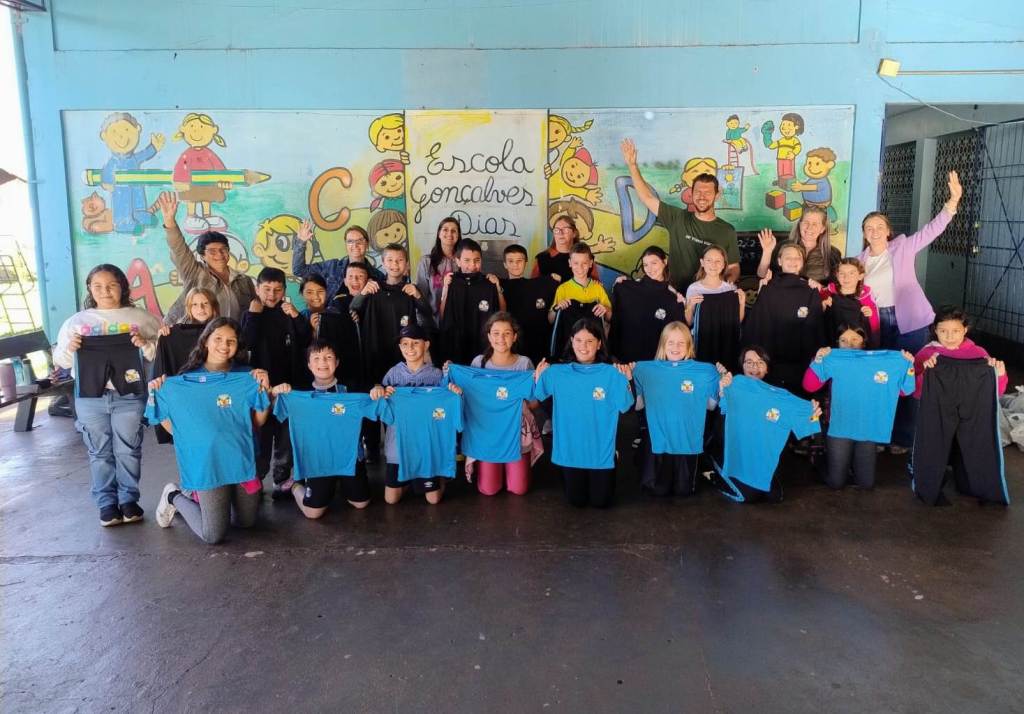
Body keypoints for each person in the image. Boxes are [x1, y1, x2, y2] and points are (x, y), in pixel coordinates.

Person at [858, 170, 963, 453]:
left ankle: (903, 438)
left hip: (910, 321)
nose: (874, 231)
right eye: (868, 227)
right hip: (877, 323)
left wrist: (952, 203)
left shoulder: (903, 247)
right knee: (882, 379)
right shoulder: (859, 261)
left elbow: (931, 230)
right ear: (864, 234)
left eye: (879, 226)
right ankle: (881, 435)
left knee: (911, 377)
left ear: (888, 231)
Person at [53, 264, 162, 526]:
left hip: (130, 395)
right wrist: (71, 348)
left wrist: (145, 344)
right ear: (90, 289)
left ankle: (128, 500)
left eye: (112, 285)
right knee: (99, 451)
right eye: (98, 286)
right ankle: (106, 504)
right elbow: (61, 361)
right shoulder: (76, 322)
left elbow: (161, 353)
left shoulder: (141, 318)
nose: (105, 291)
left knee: (128, 449)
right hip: (90, 396)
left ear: (122, 286)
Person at [148, 318, 272, 544]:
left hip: (241, 458)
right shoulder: (184, 380)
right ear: (205, 341)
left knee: (246, 522)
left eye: (231, 341)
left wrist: (264, 389)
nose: (224, 345)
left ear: (238, 346)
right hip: (208, 463)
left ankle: (215, 501)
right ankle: (174, 495)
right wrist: (158, 391)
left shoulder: (246, 376)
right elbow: (175, 426)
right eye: (218, 339)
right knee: (213, 535)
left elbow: (257, 422)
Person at [911, 307, 1009, 506]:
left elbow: (995, 393)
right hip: (937, 409)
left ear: (965, 330)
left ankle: (976, 485)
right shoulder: (926, 354)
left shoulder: (979, 354)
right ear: (935, 330)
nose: (949, 337)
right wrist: (926, 375)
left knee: (976, 443)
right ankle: (926, 480)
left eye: (955, 331)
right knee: (932, 442)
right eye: (943, 331)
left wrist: (999, 375)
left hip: (972, 409)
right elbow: (916, 392)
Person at [270, 340, 379, 519]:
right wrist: (275, 393)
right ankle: (294, 485)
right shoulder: (299, 394)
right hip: (317, 460)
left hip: (349, 457)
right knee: (313, 513)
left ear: (337, 362)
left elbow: (374, 397)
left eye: (328, 357)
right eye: (316, 358)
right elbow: (274, 408)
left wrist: (377, 389)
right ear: (309, 364)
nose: (322, 362)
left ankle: (340, 483)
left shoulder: (352, 390)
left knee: (361, 503)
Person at [533, 319, 634, 508]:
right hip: (569, 449)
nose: (583, 346)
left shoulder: (612, 373)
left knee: (601, 502)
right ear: (572, 341)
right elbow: (538, 397)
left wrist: (627, 380)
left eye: (589, 341)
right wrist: (539, 379)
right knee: (576, 501)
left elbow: (625, 406)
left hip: (600, 450)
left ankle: (613, 454)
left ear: (599, 344)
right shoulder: (556, 372)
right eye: (579, 340)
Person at [802, 326, 916, 490]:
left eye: (855, 339)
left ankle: (846, 465)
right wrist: (818, 360)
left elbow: (905, 390)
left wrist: (908, 366)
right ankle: (821, 461)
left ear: (864, 342)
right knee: (836, 482)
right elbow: (809, 386)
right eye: (843, 340)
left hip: (868, 427)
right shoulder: (833, 358)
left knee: (866, 483)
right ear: (837, 343)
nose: (849, 344)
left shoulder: (885, 362)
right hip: (840, 426)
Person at [620, 138, 739, 290]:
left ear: (717, 195)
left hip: (709, 296)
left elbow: (733, 267)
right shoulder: (677, 218)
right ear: (691, 194)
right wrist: (632, 166)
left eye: (708, 192)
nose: (702, 197)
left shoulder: (727, 230)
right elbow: (647, 198)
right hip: (676, 295)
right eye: (698, 192)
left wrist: (726, 284)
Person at [446, 312, 542, 496]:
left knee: (519, 489)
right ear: (489, 336)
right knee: (488, 489)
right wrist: (451, 373)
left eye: (507, 333)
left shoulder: (524, 364)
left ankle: (513, 469)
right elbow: (468, 395)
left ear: (514, 337)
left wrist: (522, 403)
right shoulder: (478, 363)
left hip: (516, 432)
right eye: (496, 333)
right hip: (486, 432)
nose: (501, 338)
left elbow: (535, 402)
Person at [714, 347, 822, 503]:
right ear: (742, 366)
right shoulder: (734, 384)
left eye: (760, 362)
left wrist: (812, 413)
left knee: (775, 496)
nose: (754, 367)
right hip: (734, 454)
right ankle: (715, 471)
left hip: (760, 459)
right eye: (749, 362)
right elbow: (721, 414)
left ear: (767, 368)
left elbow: (807, 424)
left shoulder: (783, 397)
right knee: (748, 497)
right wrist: (723, 390)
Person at [241, 267, 313, 498]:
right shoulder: (251, 313)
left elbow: (306, 339)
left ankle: (281, 479)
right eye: (266, 289)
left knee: (285, 436)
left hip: (288, 386)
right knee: (261, 435)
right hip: (260, 389)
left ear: (284, 290)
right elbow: (246, 343)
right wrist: (253, 315)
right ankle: (257, 478)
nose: (272, 295)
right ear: (257, 289)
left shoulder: (288, 312)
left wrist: (296, 316)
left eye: (277, 290)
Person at [372, 325, 462, 505]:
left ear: (426, 345)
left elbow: (447, 404)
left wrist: (454, 390)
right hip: (398, 443)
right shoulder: (393, 373)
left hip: (427, 444)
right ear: (400, 347)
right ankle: (411, 480)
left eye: (415, 343)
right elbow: (380, 402)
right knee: (391, 499)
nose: (410, 348)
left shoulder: (436, 375)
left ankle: (439, 476)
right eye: (405, 344)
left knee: (433, 499)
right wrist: (379, 390)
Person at [631, 322, 721, 497]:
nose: (675, 347)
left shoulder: (706, 371)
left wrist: (721, 380)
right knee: (658, 490)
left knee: (683, 491)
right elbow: (638, 405)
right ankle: (641, 454)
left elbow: (710, 406)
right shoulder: (643, 370)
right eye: (670, 342)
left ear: (689, 346)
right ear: (663, 344)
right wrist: (628, 377)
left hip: (688, 442)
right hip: (659, 442)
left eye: (681, 343)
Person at [156, 191, 256, 323]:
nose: (219, 254)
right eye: (212, 251)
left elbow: (253, 314)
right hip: (198, 334)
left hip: (232, 334)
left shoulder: (244, 281)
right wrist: (170, 221)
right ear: (202, 256)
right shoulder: (195, 272)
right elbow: (179, 249)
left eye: (223, 250)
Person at [742, 243, 826, 394]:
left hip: (799, 368)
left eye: (797, 258)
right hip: (769, 367)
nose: (793, 261)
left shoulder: (811, 290)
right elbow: (756, 327)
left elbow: (816, 331)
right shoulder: (767, 287)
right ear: (779, 261)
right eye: (788, 257)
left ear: (803, 262)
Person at [351, 243, 435, 386]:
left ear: (406, 264)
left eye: (399, 260)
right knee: (375, 387)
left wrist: (417, 295)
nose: (395, 264)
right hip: (375, 347)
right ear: (383, 263)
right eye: (390, 260)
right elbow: (353, 308)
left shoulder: (410, 289)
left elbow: (427, 312)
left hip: (401, 351)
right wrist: (363, 293)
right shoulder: (373, 288)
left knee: (399, 387)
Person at [152, 287, 220, 444]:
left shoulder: (224, 330)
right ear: (189, 308)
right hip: (187, 396)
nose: (200, 308)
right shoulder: (173, 334)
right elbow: (162, 365)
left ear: (214, 306)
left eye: (205, 303)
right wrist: (163, 338)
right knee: (189, 437)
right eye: (195, 304)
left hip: (216, 392)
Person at [609, 246, 686, 363]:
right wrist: (619, 286)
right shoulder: (628, 288)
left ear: (664, 262)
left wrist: (681, 305)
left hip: (654, 364)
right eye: (645, 265)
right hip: (625, 361)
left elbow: (677, 333)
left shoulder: (673, 298)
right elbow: (616, 318)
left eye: (654, 263)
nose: (650, 269)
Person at [438, 238, 505, 364]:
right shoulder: (451, 283)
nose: (472, 265)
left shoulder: (489, 283)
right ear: (458, 261)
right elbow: (443, 316)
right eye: (467, 260)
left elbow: (501, 314)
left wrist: (497, 288)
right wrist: (446, 288)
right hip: (457, 348)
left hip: (482, 349)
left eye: (477, 260)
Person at [684, 245, 746, 370]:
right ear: (702, 262)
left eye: (718, 261)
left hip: (726, 341)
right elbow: (689, 322)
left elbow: (737, 321)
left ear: (724, 265)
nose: (713, 264)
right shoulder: (693, 288)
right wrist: (690, 306)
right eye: (709, 260)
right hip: (702, 341)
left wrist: (742, 303)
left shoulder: (730, 289)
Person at [292, 221, 384, 304]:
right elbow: (299, 270)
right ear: (346, 245)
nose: (355, 245)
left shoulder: (378, 276)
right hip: (332, 315)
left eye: (360, 241)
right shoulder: (332, 267)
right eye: (350, 241)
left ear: (367, 244)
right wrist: (301, 242)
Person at [499, 244, 557, 366]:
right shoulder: (497, 285)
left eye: (519, 261)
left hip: (537, 345)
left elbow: (556, 281)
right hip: (510, 346)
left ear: (526, 262)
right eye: (511, 261)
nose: (515, 265)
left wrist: (554, 279)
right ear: (504, 264)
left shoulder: (540, 284)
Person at [756, 206, 840, 285]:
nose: (809, 227)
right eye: (806, 222)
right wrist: (767, 252)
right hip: (783, 295)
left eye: (815, 224)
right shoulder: (783, 247)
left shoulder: (832, 254)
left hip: (815, 296)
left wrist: (821, 288)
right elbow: (762, 276)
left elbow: (836, 288)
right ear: (799, 224)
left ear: (822, 229)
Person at [823, 258, 879, 347]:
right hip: (833, 345)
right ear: (837, 275)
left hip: (859, 348)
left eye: (851, 273)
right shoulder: (828, 293)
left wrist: (870, 314)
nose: (846, 277)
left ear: (860, 276)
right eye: (842, 273)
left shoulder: (866, 297)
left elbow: (875, 327)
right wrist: (823, 305)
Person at [414, 217, 461, 317]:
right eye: (445, 230)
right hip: (432, 320)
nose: (449, 233)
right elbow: (421, 297)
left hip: (458, 320)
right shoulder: (426, 262)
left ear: (458, 235)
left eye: (453, 231)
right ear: (439, 234)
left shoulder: (464, 261)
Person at [533, 214, 599, 283]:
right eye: (557, 230)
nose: (560, 233)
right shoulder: (542, 258)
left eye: (565, 229)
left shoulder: (586, 257)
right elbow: (533, 285)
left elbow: (596, 284)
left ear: (574, 233)